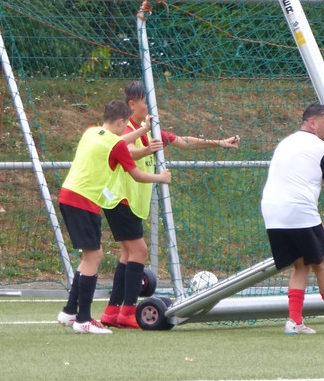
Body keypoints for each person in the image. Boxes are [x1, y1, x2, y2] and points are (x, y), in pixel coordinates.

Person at [98, 81, 240, 329]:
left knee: (128, 254)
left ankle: (112, 312)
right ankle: (127, 312)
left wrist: (219, 142)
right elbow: (126, 151)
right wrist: (147, 149)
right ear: (132, 104)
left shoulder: (149, 130)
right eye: (145, 102)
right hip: (121, 198)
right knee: (140, 252)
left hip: (128, 201)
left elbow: (183, 141)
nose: (150, 107)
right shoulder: (126, 128)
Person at [55, 100, 172, 334]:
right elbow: (137, 175)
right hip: (83, 200)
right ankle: (84, 320)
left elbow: (119, 140)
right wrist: (161, 178)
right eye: (125, 123)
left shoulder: (91, 132)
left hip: (68, 195)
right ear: (120, 122)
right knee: (94, 256)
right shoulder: (116, 145)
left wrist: (144, 129)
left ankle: (69, 312)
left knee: (88, 257)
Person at [260, 103, 324, 335]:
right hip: (298, 210)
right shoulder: (323, 149)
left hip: (272, 212)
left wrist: (316, 224)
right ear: (312, 123)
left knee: (300, 265)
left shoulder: (285, 142)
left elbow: (293, 184)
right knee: (322, 263)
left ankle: (294, 321)